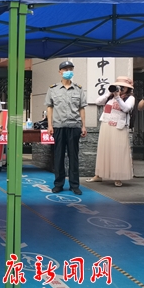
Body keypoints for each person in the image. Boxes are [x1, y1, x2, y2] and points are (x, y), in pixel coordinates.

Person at [45, 60, 87, 195]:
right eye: (65, 69)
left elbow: (82, 108)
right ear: (60, 72)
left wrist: (83, 126)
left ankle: (74, 185)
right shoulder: (53, 89)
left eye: (70, 69)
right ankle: (58, 184)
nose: (68, 71)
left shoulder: (78, 89)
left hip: (74, 126)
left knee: (73, 157)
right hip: (59, 126)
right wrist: (50, 125)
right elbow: (50, 107)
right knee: (58, 156)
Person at [87, 77, 135, 187]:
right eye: (119, 86)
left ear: (128, 88)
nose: (121, 89)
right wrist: (110, 93)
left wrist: (118, 97)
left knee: (118, 151)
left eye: (123, 87)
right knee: (104, 150)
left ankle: (117, 176)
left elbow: (126, 108)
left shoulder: (130, 98)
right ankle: (98, 175)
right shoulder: (110, 96)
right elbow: (98, 102)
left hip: (119, 127)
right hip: (106, 125)